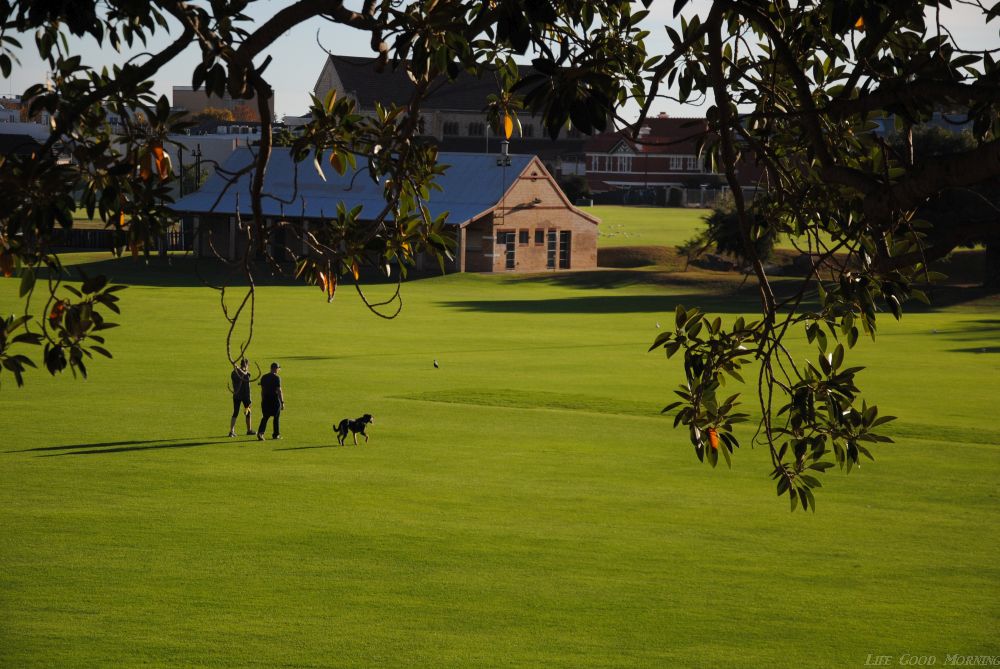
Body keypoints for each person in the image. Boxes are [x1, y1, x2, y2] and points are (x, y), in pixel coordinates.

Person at [256, 362, 284, 440]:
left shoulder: (264, 377)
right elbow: (279, 390)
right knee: (276, 418)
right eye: (278, 368)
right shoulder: (277, 378)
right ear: (275, 368)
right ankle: (276, 434)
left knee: (265, 417)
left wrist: (262, 400)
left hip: (265, 400)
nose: (278, 370)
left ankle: (260, 433)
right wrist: (282, 402)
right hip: (275, 401)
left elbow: (262, 390)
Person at [228, 358, 254, 437]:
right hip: (245, 396)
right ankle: (249, 430)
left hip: (236, 395)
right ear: (246, 365)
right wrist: (249, 400)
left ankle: (231, 431)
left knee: (235, 413)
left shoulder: (233, 373)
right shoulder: (246, 374)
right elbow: (247, 387)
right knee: (248, 413)